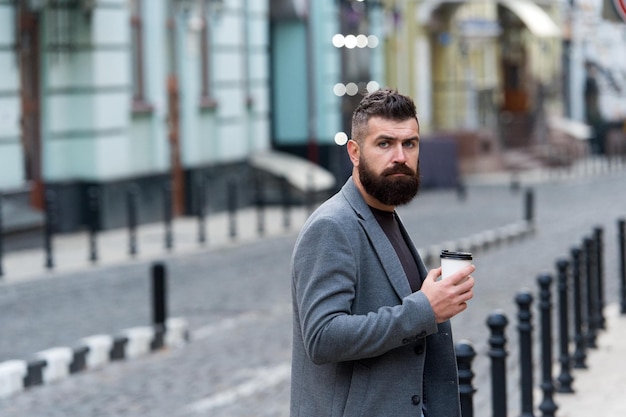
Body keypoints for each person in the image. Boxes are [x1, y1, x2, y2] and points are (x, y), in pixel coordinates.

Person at [290, 88, 475, 417]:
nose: (400, 157)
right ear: (355, 152)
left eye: (410, 144)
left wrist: (435, 295)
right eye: (385, 143)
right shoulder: (333, 226)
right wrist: (424, 309)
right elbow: (323, 337)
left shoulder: (384, 215)